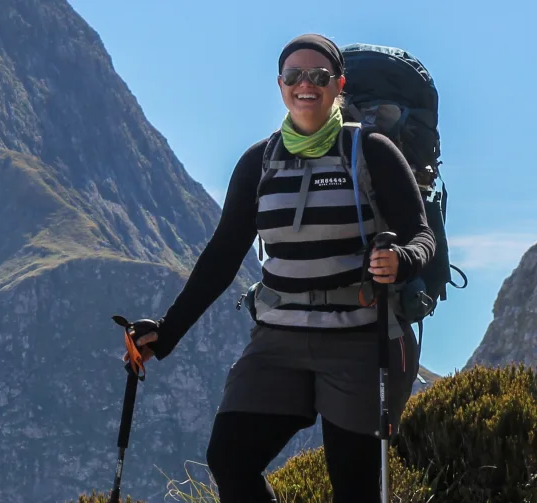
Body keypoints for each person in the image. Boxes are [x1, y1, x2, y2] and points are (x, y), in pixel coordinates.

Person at [127, 34, 435, 502]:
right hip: (277, 340)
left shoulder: (371, 151)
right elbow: (223, 253)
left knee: (352, 486)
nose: (305, 84)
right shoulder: (260, 162)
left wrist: (402, 259)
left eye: (318, 76)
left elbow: (422, 235)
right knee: (230, 459)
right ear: (280, 85)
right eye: (294, 76)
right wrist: (166, 333)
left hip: (359, 338)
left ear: (338, 86)